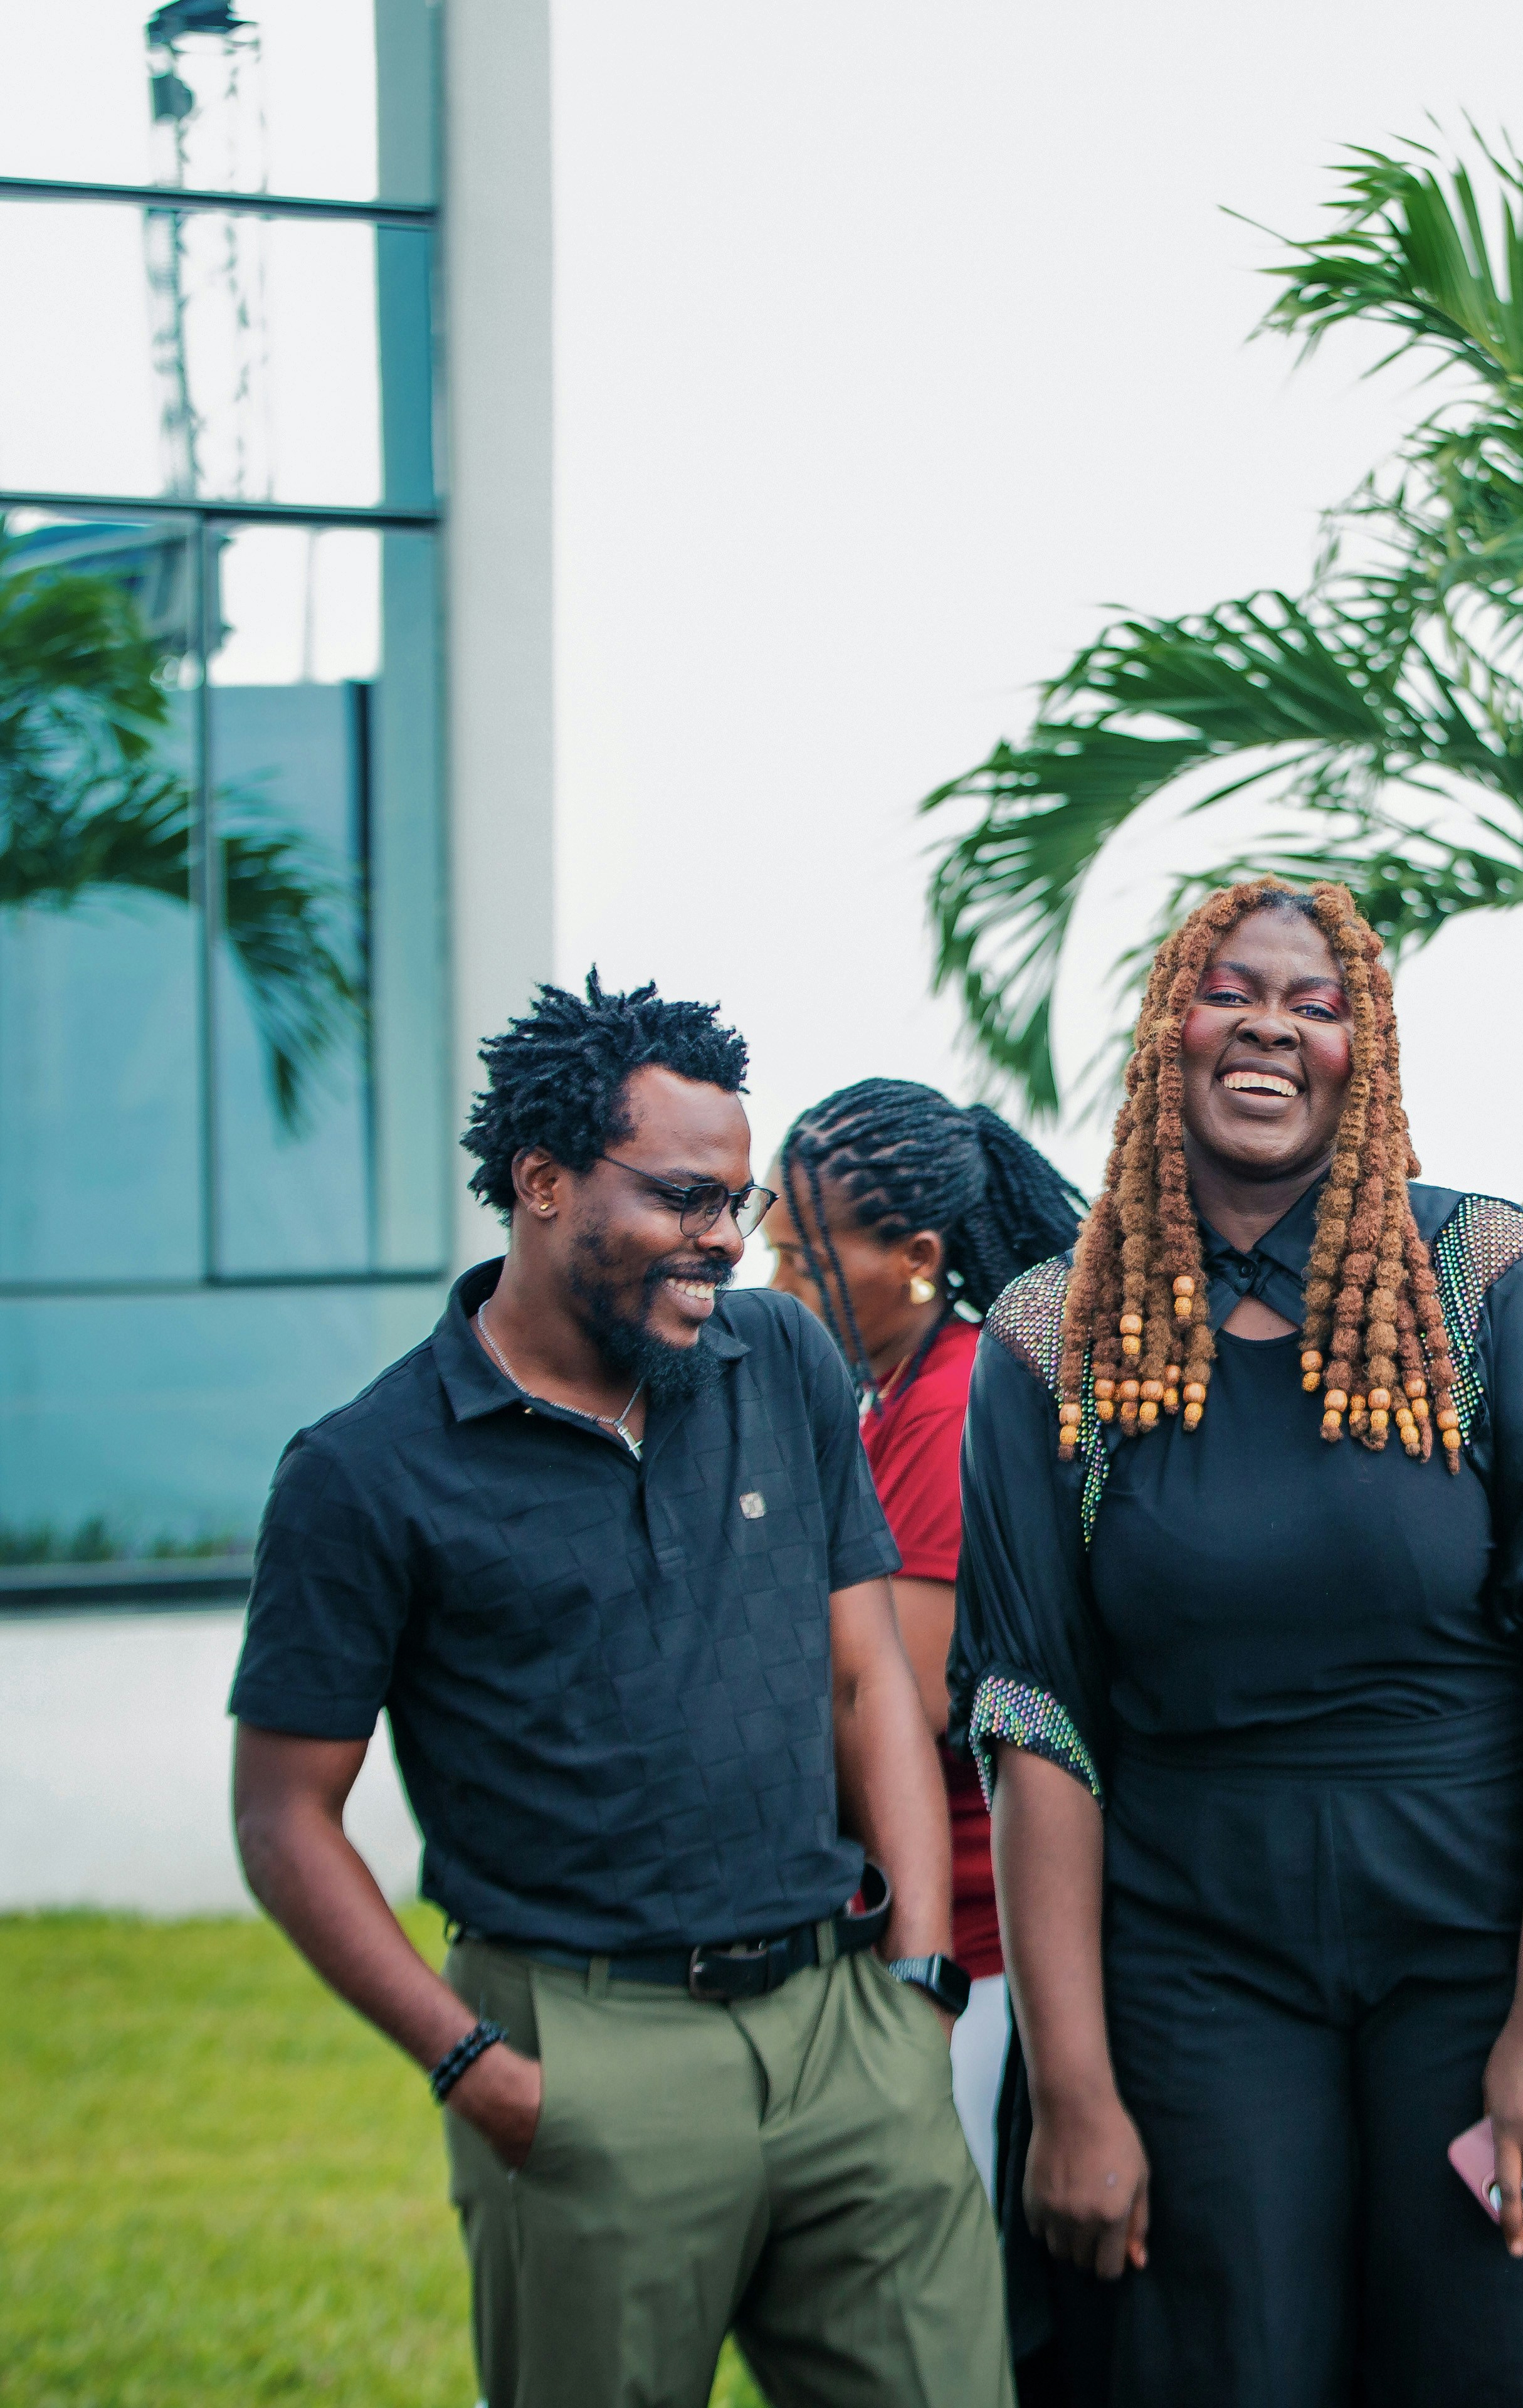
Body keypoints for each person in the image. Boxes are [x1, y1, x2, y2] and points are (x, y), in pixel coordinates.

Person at [949, 880, 1523, 2407]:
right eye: (1229, 993)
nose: (1270, 1028)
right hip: (1193, 1955)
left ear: (1360, 1051)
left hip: (1483, 1933)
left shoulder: (1483, 1272)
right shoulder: (1055, 1332)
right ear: (1166, 1029)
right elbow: (1036, 1718)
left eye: (1314, 1005)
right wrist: (1076, 2089)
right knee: (1220, 2367)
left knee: (1514, 2364)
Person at [226, 974, 1008, 2408]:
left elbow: (866, 1682)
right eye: (683, 1198)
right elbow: (284, 1815)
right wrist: (476, 2067)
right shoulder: (365, 1471)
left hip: (847, 2035)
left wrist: (916, 1986)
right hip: (584, 2053)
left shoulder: (778, 1359)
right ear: (542, 1183)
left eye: (737, 1200)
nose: (727, 1238)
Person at [769, 1076, 1086, 2197]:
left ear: (914, 1259)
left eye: (803, 1260)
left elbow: (901, 1701)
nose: (777, 1288)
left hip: (967, 1943)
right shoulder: (886, 1393)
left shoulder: (952, 1405)